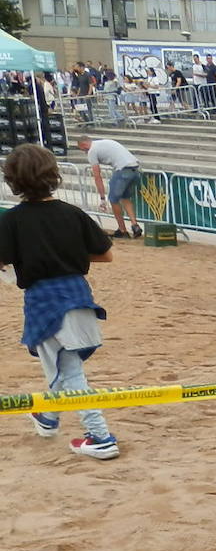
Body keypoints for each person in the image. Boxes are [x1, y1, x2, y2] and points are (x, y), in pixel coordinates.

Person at [0, 145, 119, 460]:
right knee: (65, 363)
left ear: (12, 181)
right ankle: (49, 417)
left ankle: (100, 437)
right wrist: (69, 257)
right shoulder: (72, 213)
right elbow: (106, 254)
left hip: (44, 300)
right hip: (78, 295)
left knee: (69, 369)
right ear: (54, 174)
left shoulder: (12, 221)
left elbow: (3, 262)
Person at [77, 135, 142, 240]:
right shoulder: (104, 142)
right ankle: (135, 225)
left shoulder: (92, 151)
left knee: (113, 199)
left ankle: (122, 230)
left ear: (83, 145)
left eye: (82, 149)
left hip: (122, 170)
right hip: (134, 169)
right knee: (125, 198)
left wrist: (102, 198)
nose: (84, 152)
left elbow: (97, 176)